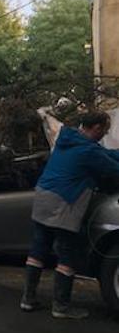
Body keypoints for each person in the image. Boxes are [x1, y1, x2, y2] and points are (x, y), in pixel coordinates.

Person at [21, 110, 119, 319]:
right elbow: (112, 169)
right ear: (97, 128)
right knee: (68, 252)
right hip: (64, 201)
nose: (105, 134)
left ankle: (27, 299)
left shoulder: (68, 139)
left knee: (39, 249)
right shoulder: (88, 151)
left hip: (43, 196)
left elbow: (106, 154)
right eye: (105, 131)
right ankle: (61, 306)